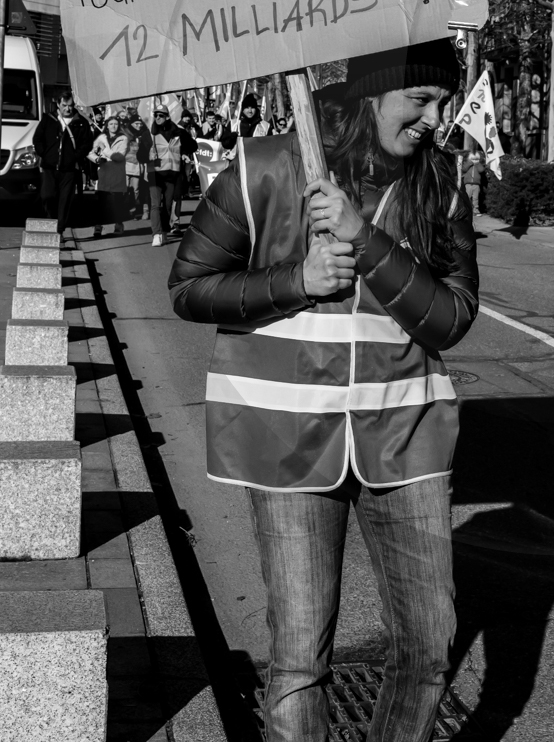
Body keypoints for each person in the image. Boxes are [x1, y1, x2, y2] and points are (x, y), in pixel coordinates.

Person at [167, 39, 479, 742]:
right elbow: (189, 289)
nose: (436, 119)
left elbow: (452, 318)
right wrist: (298, 281)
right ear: (371, 92)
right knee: (300, 659)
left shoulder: (442, 183)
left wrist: (365, 240)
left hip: (406, 441)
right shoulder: (262, 168)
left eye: (444, 102)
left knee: (428, 649)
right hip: (288, 443)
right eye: (421, 100)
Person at [33, 90, 89, 238]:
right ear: (58, 104)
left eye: (70, 105)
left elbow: (86, 144)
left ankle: (59, 230)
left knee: (65, 200)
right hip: (50, 167)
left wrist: (74, 157)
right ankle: (51, 220)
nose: (67, 109)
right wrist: (44, 153)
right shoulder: (48, 119)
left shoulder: (81, 122)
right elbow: (37, 139)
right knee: (47, 196)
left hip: (69, 169)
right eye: (64, 105)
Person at [148, 105, 196, 245]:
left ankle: (163, 231)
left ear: (167, 117)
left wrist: (184, 151)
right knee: (156, 205)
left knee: (168, 206)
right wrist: (147, 154)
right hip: (155, 174)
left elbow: (193, 146)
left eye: (161, 115)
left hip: (171, 174)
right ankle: (156, 234)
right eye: (156, 115)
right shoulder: (150, 133)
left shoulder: (177, 132)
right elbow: (139, 154)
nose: (157, 118)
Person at [90, 116, 129, 237]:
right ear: (107, 126)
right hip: (104, 174)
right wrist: (96, 159)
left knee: (118, 203)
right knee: (101, 203)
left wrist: (105, 150)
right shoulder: (101, 137)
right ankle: (98, 226)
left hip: (117, 175)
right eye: (111, 124)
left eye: (116, 124)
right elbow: (90, 151)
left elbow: (119, 157)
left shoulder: (124, 139)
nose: (113, 126)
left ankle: (118, 224)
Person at [125, 112, 153, 222]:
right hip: (127, 166)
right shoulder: (126, 134)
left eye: (140, 123)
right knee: (128, 189)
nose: (139, 125)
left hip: (141, 166)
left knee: (139, 189)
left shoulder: (145, 134)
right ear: (131, 124)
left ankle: (140, 210)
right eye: (136, 123)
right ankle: (129, 210)